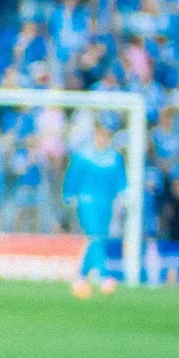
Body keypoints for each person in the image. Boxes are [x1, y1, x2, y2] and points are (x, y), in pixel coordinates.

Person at [63, 120, 129, 297]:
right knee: (95, 236)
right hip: (86, 201)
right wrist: (69, 194)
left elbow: (120, 179)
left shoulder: (114, 157)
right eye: (101, 134)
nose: (103, 138)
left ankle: (81, 277)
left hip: (106, 203)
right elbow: (73, 176)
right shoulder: (83, 155)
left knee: (99, 238)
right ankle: (104, 276)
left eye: (107, 135)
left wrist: (124, 194)